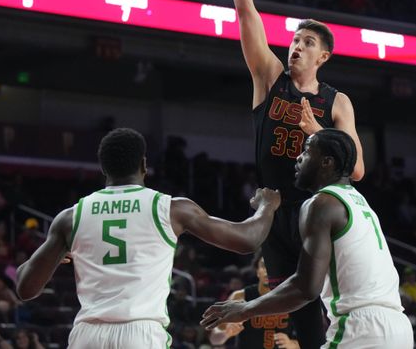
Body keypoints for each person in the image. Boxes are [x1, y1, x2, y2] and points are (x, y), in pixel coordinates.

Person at [209, 0, 366, 348]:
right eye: (295, 39)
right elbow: (246, 12)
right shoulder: (269, 77)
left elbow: (356, 171)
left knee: (326, 306)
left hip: (318, 213)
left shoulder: (337, 103)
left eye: (307, 41)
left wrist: (319, 135)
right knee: (294, 314)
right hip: (277, 212)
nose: (296, 46)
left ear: (324, 56)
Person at [16, 128, 281, 349]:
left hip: (87, 335)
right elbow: (248, 240)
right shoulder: (169, 208)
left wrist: (54, 256)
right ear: (144, 164)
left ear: (103, 168)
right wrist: (266, 206)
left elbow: (25, 287)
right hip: (140, 333)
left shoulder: (71, 217)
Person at [201, 129, 412, 349]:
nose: (298, 157)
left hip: (362, 327)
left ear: (326, 162)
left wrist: (244, 310)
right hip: (398, 327)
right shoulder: (359, 201)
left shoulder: (321, 203)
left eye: (307, 151)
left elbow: (306, 287)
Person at [208, 255, 300, 348]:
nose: (267, 270)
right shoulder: (240, 296)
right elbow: (214, 339)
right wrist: (226, 334)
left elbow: (312, 340)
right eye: (264, 265)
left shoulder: (292, 298)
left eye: (272, 266)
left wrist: (293, 344)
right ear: (257, 271)